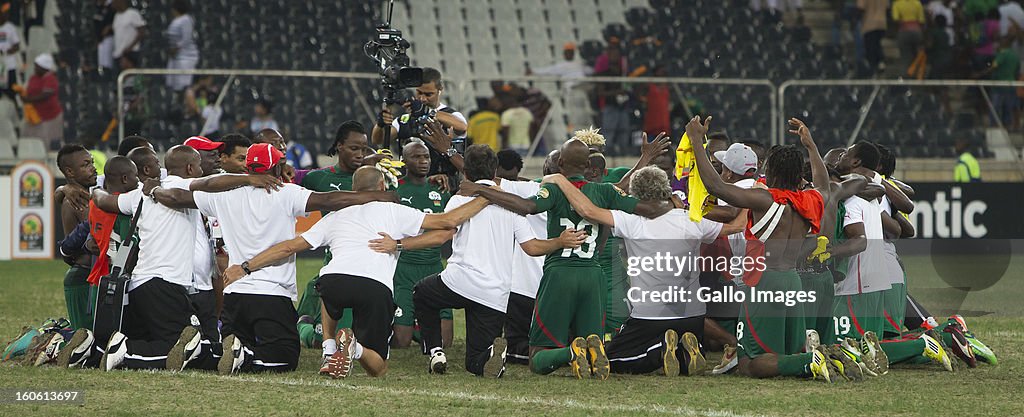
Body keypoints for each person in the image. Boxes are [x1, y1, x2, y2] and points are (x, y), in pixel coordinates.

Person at [147, 144, 400, 374]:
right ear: (277, 166)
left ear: (249, 167)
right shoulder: (285, 193)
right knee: (284, 359)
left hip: (234, 294)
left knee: (235, 349)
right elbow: (331, 200)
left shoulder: (222, 195)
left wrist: (154, 190)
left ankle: (202, 350)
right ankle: (238, 357)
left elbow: (177, 198)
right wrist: (377, 196)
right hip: (272, 293)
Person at [224, 165, 491, 378]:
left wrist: (244, 267)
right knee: (378, 368)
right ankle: (356, 348)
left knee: (327, 285)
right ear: (382, 187)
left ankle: (329, 348)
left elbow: (288, 247)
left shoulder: (336, 215)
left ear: (354, 189)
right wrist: (486, 197)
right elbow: (448, 222)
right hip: (374, 287)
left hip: (333, 282)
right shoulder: (394, 210)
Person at [459, 136, 673, 380]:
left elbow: (525, 207)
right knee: (595, 346)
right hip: (593, 276)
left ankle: (571, 352)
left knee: (537, 357)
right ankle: (589, 351)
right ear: (587, 165)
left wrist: (480, 190)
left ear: (560, 162)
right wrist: (674, 203)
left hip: (559, 273)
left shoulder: (552, 188)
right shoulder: (605, 191)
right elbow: (652, 210)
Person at [378, 145, 585, 377]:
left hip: (459, 281)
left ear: (465, 171)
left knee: (422, 294)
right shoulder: (512, 206)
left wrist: (398, 244)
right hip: (495, 294)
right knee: (475, 363)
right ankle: (491, 357)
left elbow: (444, 234)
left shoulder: (460, 200)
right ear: (494, 169)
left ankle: (436, 351)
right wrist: (559, 241)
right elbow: (532, 247)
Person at [74, 145, 278, 371]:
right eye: (199, 166)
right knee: (184, 351)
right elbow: (210, 183)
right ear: (190, 168)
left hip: (139, 284)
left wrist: (94, 189)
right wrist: (249, 179)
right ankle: (122, 353)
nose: (202, 171)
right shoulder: (179, 185)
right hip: (165, 285)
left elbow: (104, 201)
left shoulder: (139, 194)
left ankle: (95, 350)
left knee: (167, 344)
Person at [546, 166, 745, 376]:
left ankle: (661, 350)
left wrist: (559, 179)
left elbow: (587, 210)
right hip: (693, 316)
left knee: (613, 359)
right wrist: (753, 197)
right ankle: (681, 352)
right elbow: (737, 227)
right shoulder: (690, 218)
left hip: (649, 316)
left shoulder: (631, 221)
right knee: (683, 357)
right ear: (666, 190)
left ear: (634, 195)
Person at [685, 116, 838, 381]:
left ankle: (812, 359)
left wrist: (697, 142)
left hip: (763, 281)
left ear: (774, 172)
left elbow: (715, 186)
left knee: (750, 363)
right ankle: (814, 357)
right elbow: (824, 185)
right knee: (782, 353)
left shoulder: (764, 199)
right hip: (792, 280)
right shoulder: (810, 200)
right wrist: (811, 146)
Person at [296, 121, 382, 372]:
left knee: (371, 336)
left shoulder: (374, 178)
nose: (360, 154)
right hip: (336, 261)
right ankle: (306, 329)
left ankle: (308, 325)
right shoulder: (318, 178)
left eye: (364, 149)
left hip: (373, 261)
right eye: (354, 148)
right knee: (329, 335)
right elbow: (291, 182)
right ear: (339, 146)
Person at [387, 140, 454, 349]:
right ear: (404, 161)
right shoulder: (394, 189)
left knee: (445, 343)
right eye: (416, 157)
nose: (423, 161)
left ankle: (422, 328)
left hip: (434, 266)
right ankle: (411, 327)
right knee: (401, 342)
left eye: (426, 156)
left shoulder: (441, 189)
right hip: (404, 268)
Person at [372, 67, 468, 179]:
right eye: (419, 93)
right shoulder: (404, 120)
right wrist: (380, 124)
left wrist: (428, 113)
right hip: (409, 183)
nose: (422, 99)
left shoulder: (451, 115)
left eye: (428, 94)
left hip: (443, 183)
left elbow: (462, 126)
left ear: (440, 90)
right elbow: (377, 140)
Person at [56, 145, 98, 331]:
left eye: (92, 163)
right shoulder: (73, 201)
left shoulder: (90, 194)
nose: (93, 168)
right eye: (86, 164)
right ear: (70, 171)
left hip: (91, 276)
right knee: (83, 339)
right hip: (83, 278)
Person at [21, 53, 63, 149]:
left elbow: (45, 96)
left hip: (48, 117)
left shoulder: (51, 78)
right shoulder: (33, 77)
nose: (35, 68)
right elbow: (28, 90)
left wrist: (28, 100)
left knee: (43, 142)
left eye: (37, 67)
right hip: (33, 116)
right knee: (27, 138)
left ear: (44, 68)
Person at [165, 0, 198, 91]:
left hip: (186, 56)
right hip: (175, 56)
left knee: (183, 83)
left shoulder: (186, 19)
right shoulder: (176, 20)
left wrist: (176, 48)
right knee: (171, 81)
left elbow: (186, 38)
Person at [892, 0, 925, 72]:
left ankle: (906, 76)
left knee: (905, 57)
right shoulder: (917, 3)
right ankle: (917, 75)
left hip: (903, 31)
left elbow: (896, 19)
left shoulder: (897, 3)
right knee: (917, 56)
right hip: (916, 31)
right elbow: (921, 20)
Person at [858, 0, 890, 73]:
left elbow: (860, 8)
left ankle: (872, 66)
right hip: (882, 23)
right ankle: (880, 62)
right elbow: (888, 8)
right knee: (877, 43)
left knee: (870, 47)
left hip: (869, 24)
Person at [111, 0, 146, 65]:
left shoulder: (132, 13)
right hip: (118, 53)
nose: (112, 4)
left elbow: (141, 32)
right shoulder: (116, 16)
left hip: (131, 53)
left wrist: (130, 48)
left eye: (114, 2)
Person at [0, 5, 20, 100]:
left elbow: (17, 46)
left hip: (9, 64)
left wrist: (8, 51)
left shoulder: (10, 28)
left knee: (12, 90)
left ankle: (15, 106)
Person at [93, 0, 115, 71]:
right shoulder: (98, 8)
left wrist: (109, 27)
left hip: (109, 38)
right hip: (100, 39)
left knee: (108, 62)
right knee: (101, 63)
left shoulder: (111, 7)